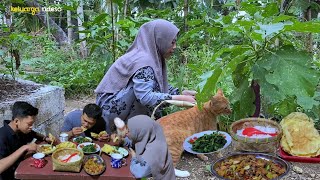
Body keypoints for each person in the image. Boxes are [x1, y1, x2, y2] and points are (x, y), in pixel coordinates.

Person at [95, 19, 196, 133]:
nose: (175, 47)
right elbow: (145, 97)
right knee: (143, 94)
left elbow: (154, 84)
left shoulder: (151, 57)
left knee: (146, 90)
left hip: (116, 105)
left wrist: (180, 93)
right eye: (172, 42)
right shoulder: (144, 60)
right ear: (160, 40)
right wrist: (177, 99)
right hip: (107, 111)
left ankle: (136, 130)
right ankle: (129, 132)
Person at [0, 101, 52, 180]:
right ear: (17, 121)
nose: (31, 127)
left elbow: (34, 134)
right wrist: (24, 148)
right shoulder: (2, 136)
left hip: (23, 169)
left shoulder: (20, 130)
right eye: (29, 124)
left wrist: (45, 138)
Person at [127, 115, 175, 180]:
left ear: (140, 132)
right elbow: (134, 140)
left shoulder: (154, 150)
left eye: (129, 130)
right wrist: (122, 140)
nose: (127, 132)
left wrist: (134, 158)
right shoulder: (150, 135)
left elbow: (139, 172)